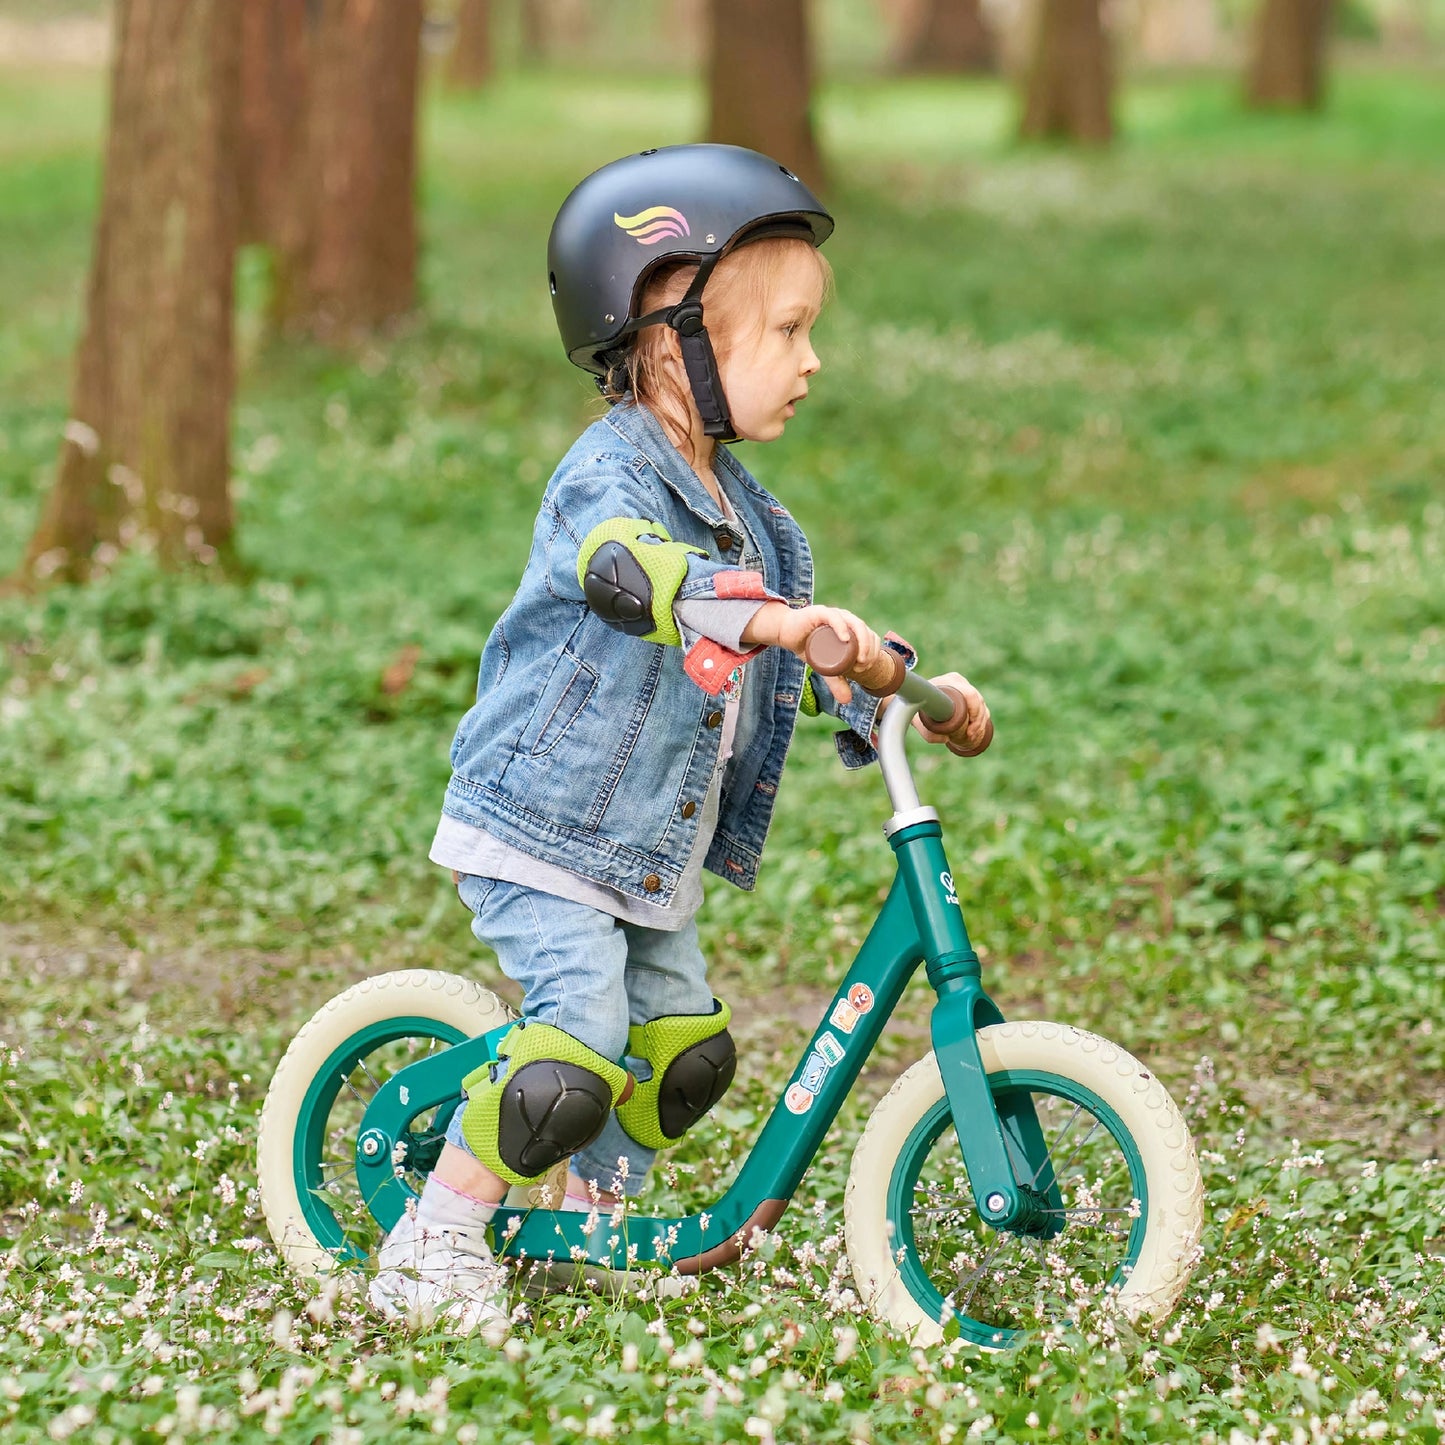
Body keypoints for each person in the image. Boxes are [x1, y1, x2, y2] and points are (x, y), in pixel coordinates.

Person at [369, 144, 992, 1333]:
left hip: (646, 847)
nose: (813, 359)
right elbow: (629, 572)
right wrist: (755, 610)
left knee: (683, 1055)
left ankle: (589, 1223)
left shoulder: (760, 517)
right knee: (576, 1044)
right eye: (788, 330)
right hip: (542, 824)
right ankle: (432, 1242)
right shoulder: (602, 477)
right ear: (673, 333)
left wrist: (904, 687)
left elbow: (809, 645)